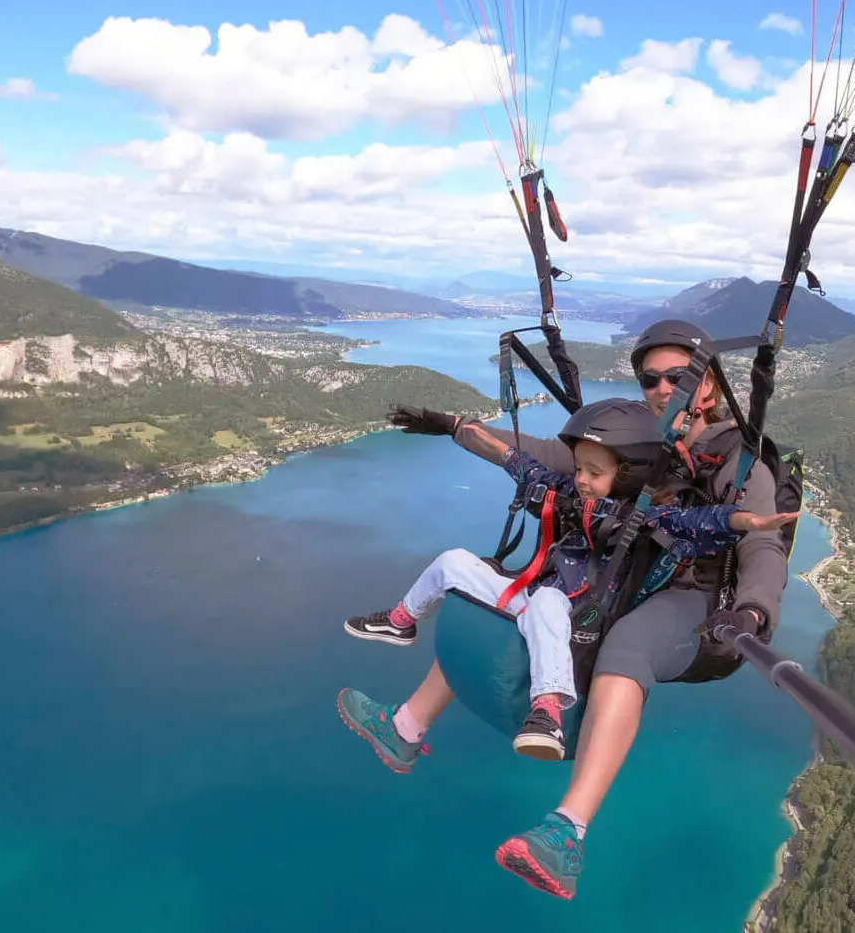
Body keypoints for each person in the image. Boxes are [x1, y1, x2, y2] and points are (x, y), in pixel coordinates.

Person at [342, 319, 790, 901]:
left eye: (676, 377)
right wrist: (460, 429)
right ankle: (406, 727)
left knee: (626, 647)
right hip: (624, 568)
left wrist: (752, 613)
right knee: (508, 595)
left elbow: (759, 541)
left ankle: (567, 834)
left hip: (692, 597)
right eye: (650, 377)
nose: (660, 388)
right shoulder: (646, 434)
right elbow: (555, 456)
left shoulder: (739, 457)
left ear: (708, 384)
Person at [338, 396, 800, 763]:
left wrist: (746, 523)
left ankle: (548, 711)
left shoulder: (641, 518)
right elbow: (518, 460)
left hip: (569, 613)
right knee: (454, 561)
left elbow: (698, 524)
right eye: (579, 469)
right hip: (533, 597)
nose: (580, 479)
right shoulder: (569, 491)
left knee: (547, 604)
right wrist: (455, 428)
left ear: (625, 475)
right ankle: (401, 620)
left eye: (594, 473)